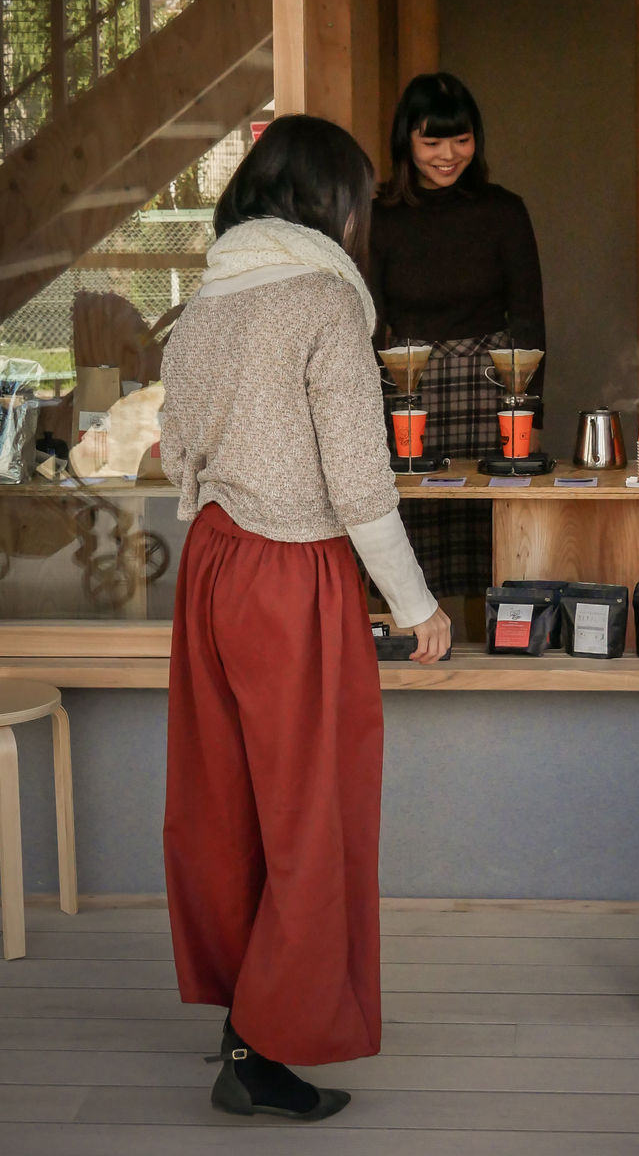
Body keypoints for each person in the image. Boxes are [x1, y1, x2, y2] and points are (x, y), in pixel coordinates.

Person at [159, 115, 451, 1122]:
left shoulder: (204, 300)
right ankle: (261, 1045)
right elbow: (359, 481)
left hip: (211, 563)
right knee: (308, 817)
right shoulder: (323, 297)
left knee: (224, 806)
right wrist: (416, 605)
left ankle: (241, 1008)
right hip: (293, 572)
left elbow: (175, 456)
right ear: (332, 203)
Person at [370, 73, 545, 604]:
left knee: (492, 527)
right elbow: (369, 324)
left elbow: (532, 320)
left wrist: (533, 416)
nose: (448, 155)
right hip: (405, 388)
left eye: (461, 140)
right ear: (406, 142)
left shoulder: (504, 210)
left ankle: (496, 645)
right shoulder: (378, 216)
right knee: (408, 527)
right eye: (432, 142)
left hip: (492, 387)